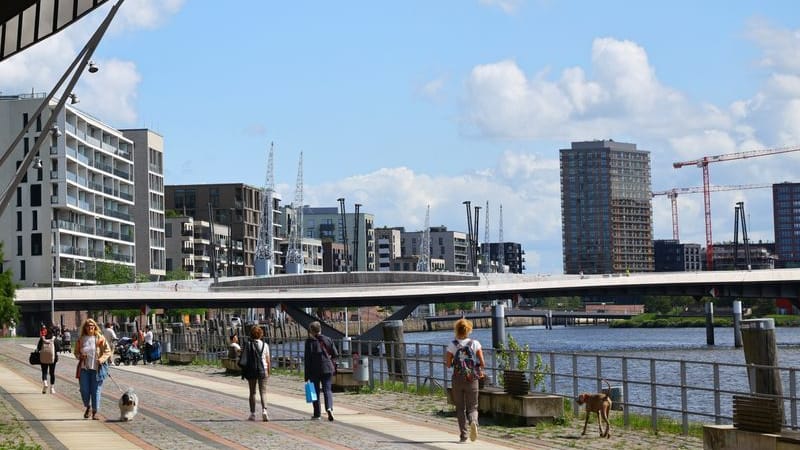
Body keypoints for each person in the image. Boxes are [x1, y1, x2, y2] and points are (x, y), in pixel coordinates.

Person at [445, 318, 485, 443]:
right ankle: (473, 421)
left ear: (456, 330)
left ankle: (463, 435)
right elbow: (482, 363)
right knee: (473, 407)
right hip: (472, 378)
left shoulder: (452, 345)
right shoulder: (475, 344)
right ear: (469, 330)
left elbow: (447, 364)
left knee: (460, 408)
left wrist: (455, 363)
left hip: (457, 378)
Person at [74, 318, 112, 420]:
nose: (90, 327)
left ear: (95, 327)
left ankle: (95, 411)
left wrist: (101, 359)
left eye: (92, 326)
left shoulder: (100, 338)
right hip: (84, 369)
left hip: (97, 369)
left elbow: (108, 351)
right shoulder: (81, 339)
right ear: (85, 328)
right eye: (88, 326)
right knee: (84, 390)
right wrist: (80, 356)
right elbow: (76, 352)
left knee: (96, 391)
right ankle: (88, 406)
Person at [303, 321, 338, 421]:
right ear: (320, 329)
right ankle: (329, 408)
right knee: (327, 390)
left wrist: (306, 376)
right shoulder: (328, 339)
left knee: (315, 392)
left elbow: (307, 360)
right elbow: (335, 354)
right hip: (327, 368)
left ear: (311, 331)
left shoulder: (309, 342)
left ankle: (317, 414)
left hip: (314, 370)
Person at [241, 325, 270, 422]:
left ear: (251, 335)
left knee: (252, 392)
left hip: (252, 370)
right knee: (263, 391)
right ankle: (264, 410)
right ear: (261, 334)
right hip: (263, 370)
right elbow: (268, 360)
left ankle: (252, 414)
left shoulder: (248, 344)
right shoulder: (265, 345)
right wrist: (268, 372)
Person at [36, 326, 58, 394]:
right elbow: (58, 348)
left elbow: (38, 348)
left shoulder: (42, 338)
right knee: (52, 373)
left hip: (43, 358)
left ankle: (45, 383)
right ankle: (52, 388)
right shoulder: (55, 339)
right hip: (53, 358)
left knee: (44, 372)